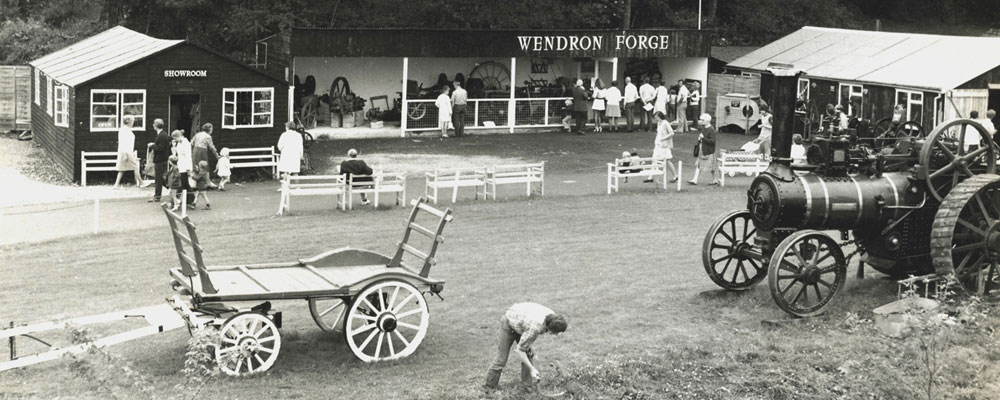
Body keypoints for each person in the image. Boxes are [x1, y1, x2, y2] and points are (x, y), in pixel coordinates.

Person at [484, 302, 568, 390]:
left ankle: (527, 386)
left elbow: (528, 333)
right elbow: (520, 350)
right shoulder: (536, 327)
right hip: (509, 323)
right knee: (501, 359)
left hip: (522, 324)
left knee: (529, 354)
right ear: (550, 327)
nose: (557, 335)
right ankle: (489, 387)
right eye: (556, 332)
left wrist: (528, 345)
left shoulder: (552, 317)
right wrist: (532, 369)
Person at [688, 113, 720, 186]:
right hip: (702, 149)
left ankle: (714, 179)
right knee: (700, 165)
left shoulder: (711, 129)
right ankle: (695, 179)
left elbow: (712, 141)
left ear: (707, 121)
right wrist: (700, 139)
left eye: (703, 120)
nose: (701, 121)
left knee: (711, 167)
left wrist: (703, 138)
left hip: (708, 150)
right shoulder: (704, 128)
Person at [113, 116, 144, 188]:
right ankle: (141, 182)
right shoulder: (125, 130)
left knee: (122, 169)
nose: (133, 122)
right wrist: (127, 154)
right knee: (135, 166)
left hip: (124, 151)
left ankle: (116, 184)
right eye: (132, 121)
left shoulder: (124, 129)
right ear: (129, 121)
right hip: (126, 152)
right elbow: (124, 142)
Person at [648, 112, 679, 183]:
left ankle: (675, 175)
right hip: (658, 144)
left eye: (656, 117)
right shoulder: (659, 123)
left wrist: (663, 138)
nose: (655, 119)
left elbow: (672, 133)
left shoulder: (665, 123)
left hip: (664, 145)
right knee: (654, 159)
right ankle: (650, 176)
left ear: (660, 116)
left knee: (667, 160)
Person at [171, 129, 195, 209]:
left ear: (179, 136)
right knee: (184, 183)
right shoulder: (179, 143)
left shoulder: (186, 143)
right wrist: (174, 146)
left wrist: (188, 169)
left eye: (175, 138)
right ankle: (188, 200)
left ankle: (187, 200)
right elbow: (176, 153)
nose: (175, 140)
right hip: (180, 165)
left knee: (184, 183)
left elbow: (188, 156)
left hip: (185, 166)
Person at [149, 118, 171, 202]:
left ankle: (157, 196)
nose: (153, 125)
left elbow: (160, 148)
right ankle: (169, 186)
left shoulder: (161, 135)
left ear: (156, 126)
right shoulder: (163, 134)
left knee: (158, 178)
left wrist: (152, 145)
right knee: (160, 177)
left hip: (160, 159)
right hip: (161, 158)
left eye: (154, 124)